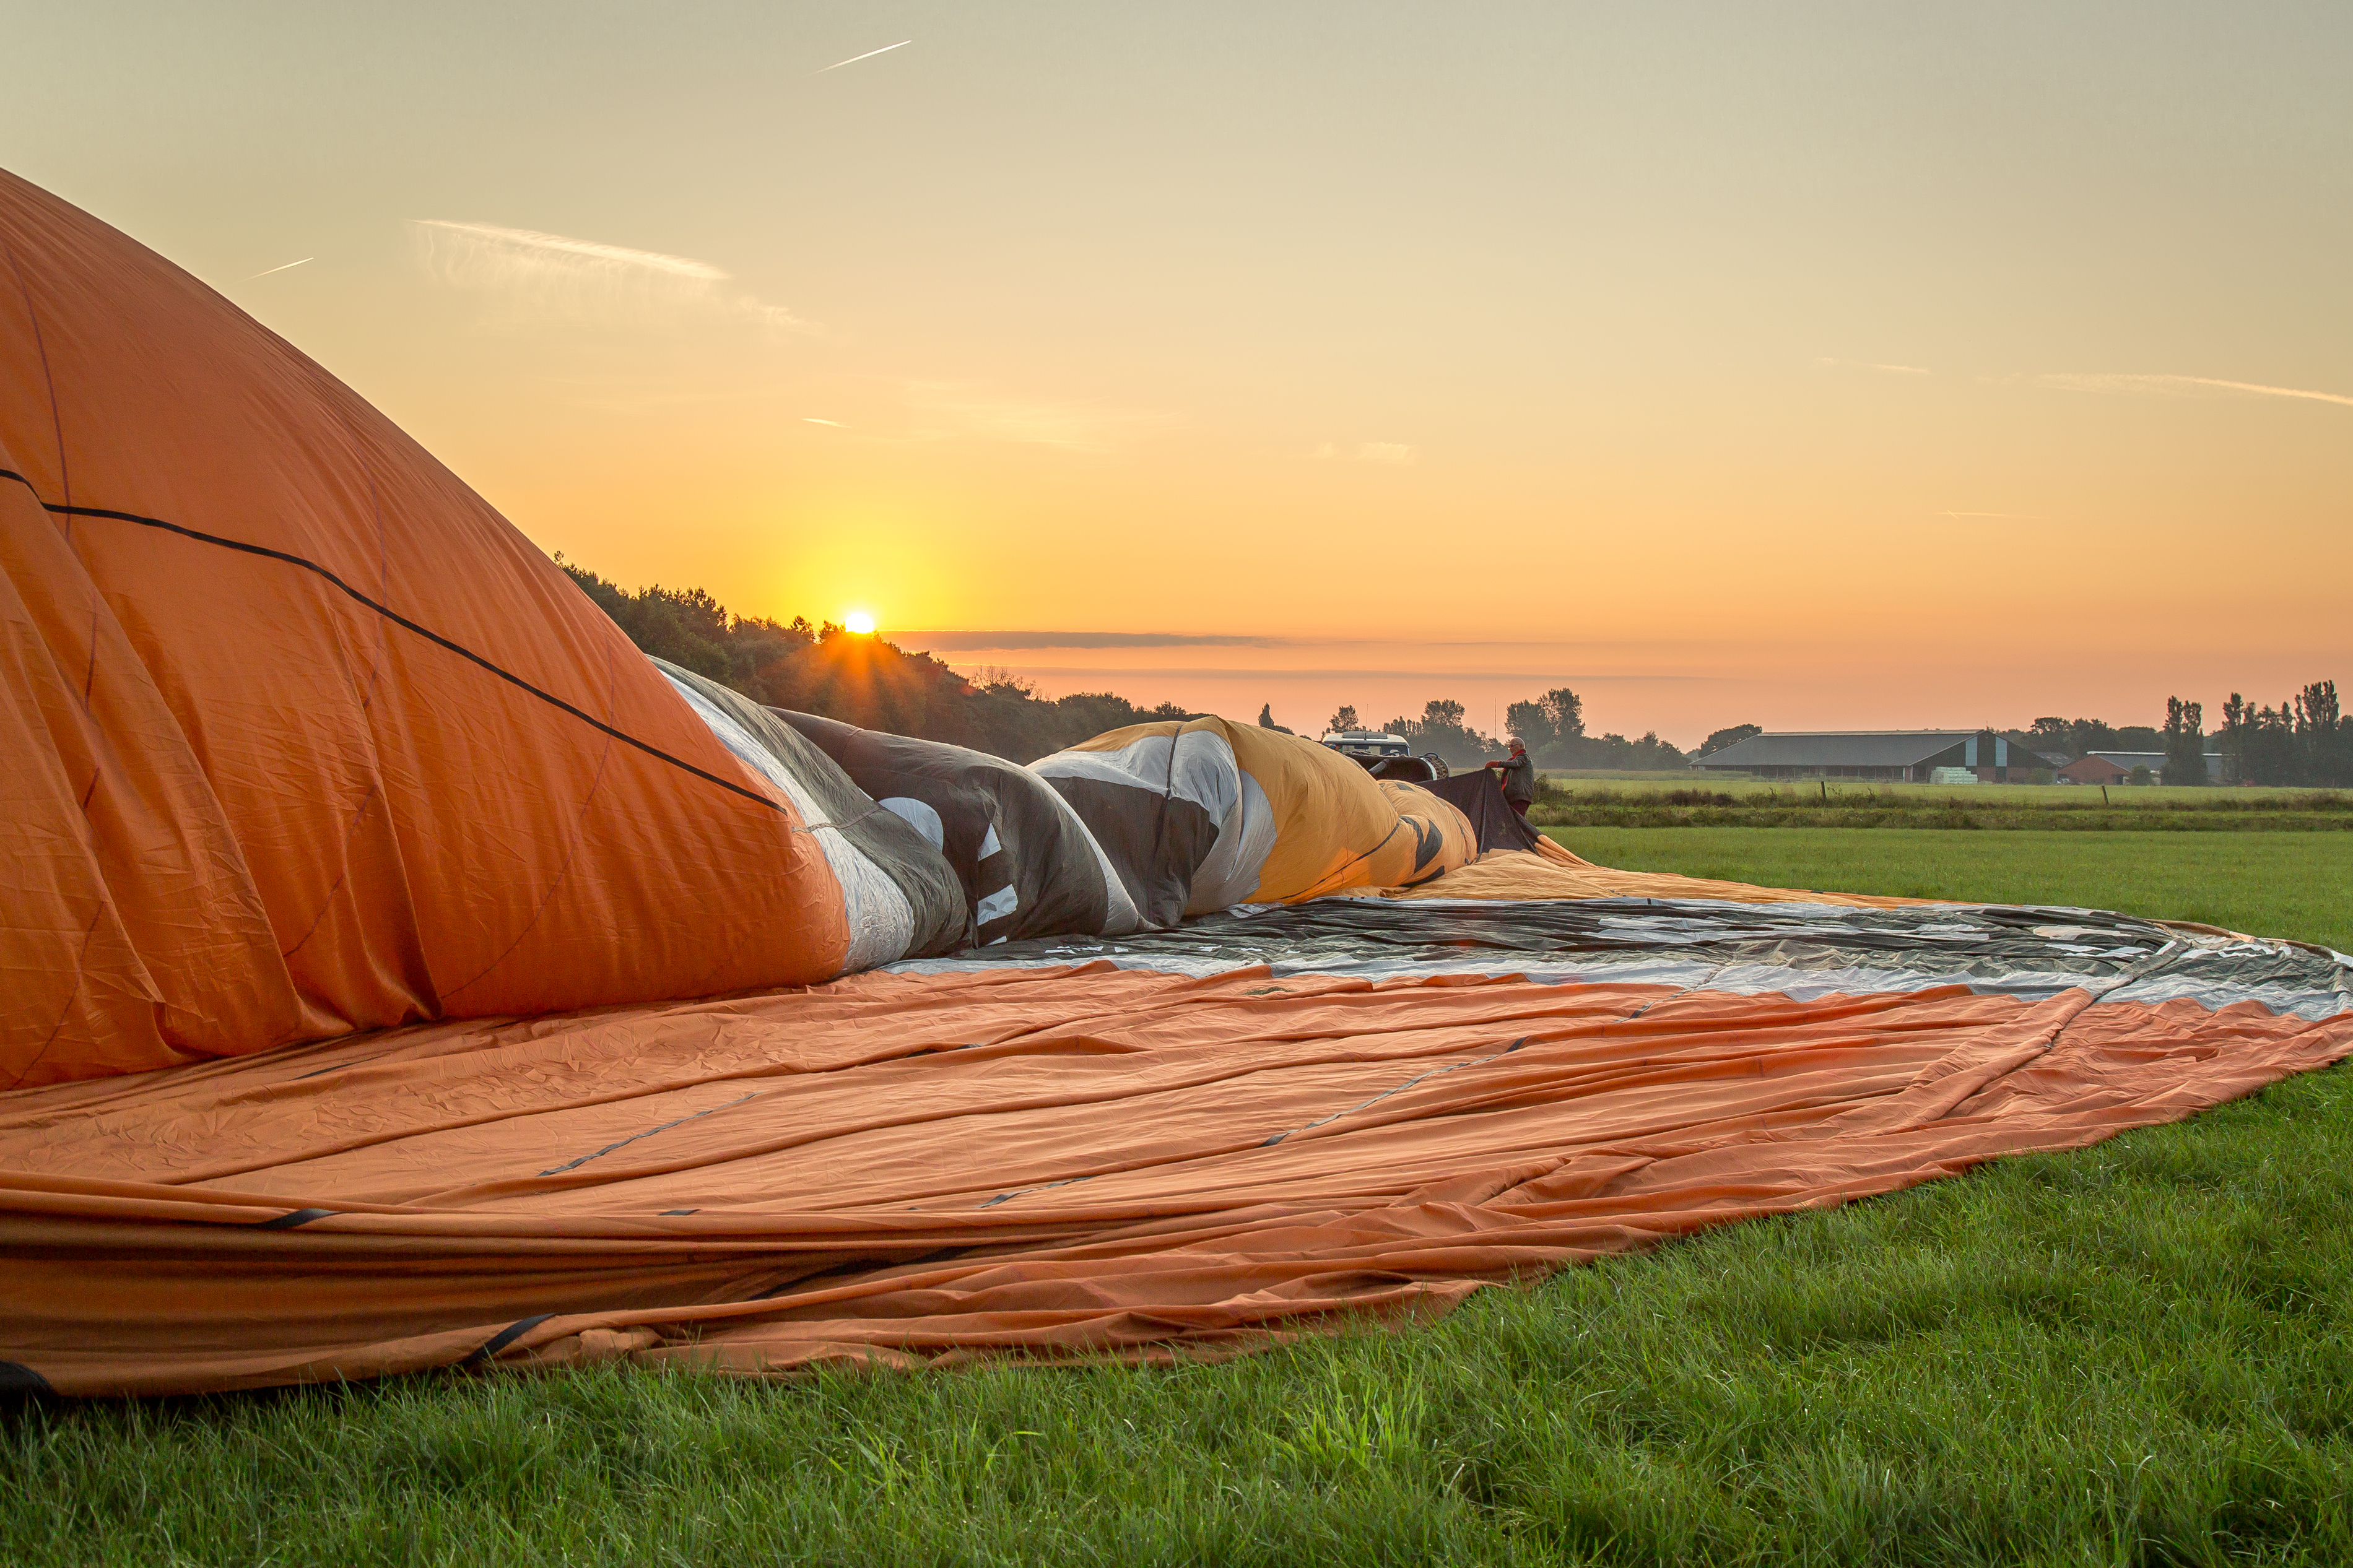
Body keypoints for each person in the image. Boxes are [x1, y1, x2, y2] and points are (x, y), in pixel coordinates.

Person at [1485, 739, 1536, 816]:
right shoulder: (1515, 760)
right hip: (1514, 798)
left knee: (1517, 822)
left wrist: (1498, 764)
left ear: (1521, 746)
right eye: (1509, 747)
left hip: (1520, 797)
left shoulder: (1523, 757)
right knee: (1512, 822)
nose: (1511, 749)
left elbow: (1515, 764)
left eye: (1513, 746)